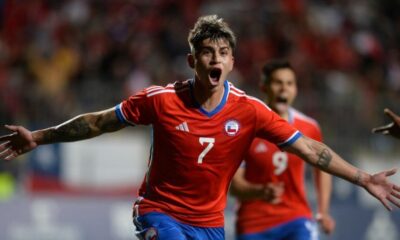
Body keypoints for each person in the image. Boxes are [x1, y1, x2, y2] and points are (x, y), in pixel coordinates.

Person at [0, 15, 399, 240]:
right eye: (207, 51)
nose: (216, 58)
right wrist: (40, 136)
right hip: (160, 213)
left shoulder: (250, 111)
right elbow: (98, 122)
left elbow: (313, 151)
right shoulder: (160, 100)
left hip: (210, 225)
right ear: (193, 60)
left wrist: (363, 178)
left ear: (231, 62)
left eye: (223, 53)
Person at [230, 60, 335, 240]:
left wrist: (323, 211)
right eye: (278, 82)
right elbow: (234, 185)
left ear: (295, 89)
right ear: (264, 86)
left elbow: (323, 169)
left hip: (296, 218)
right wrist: (261, 191)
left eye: (289, 83)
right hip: (253, 223)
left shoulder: (309, 128)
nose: (283, 89)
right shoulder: (245, 129)